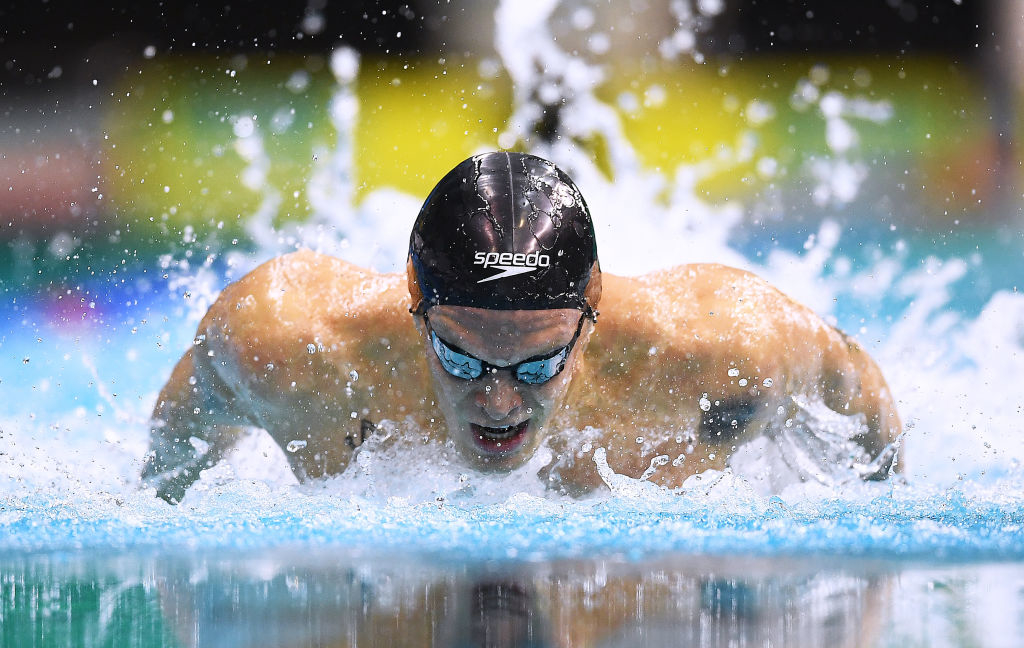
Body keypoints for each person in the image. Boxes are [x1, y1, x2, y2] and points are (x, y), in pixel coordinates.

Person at [142, 152, 900, 503]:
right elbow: (168, 472)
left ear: (591, 304)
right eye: (461, 359)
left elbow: (855, 392)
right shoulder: (284, 345)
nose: (499, 404)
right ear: (415, 298)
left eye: (537, 365)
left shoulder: (729, 351)